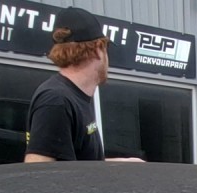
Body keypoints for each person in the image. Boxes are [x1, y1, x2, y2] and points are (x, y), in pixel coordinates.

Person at [24, 7, 139, 162]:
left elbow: (79, 166)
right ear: (98, 49)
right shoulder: (56, 101)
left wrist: (123, 164)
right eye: (106, 48)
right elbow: (37, 171)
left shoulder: (76, 97)